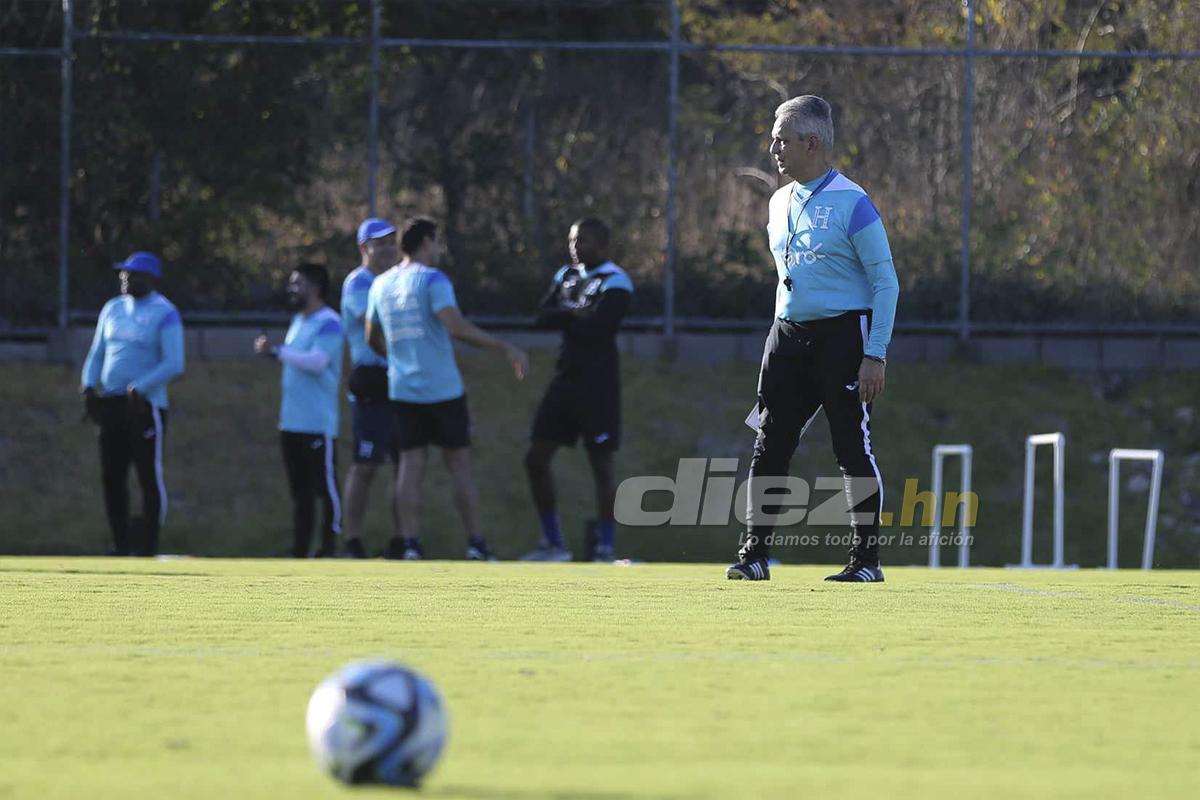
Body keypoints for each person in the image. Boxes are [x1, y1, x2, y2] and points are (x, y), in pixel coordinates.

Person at [727, 95, 899, 583]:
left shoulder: (853, 202)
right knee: (770, 442)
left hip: (843, 337)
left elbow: (886, 283)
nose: (773, 147)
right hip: (786, 336)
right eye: (773, 138)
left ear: (812, 143)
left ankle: (865, 562)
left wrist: (875, 353)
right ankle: (754, 555)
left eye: (782, 139)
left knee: (850, 447)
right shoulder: (778, 201)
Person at [364, 217, 528, 561]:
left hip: (403, 388)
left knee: (410, 465)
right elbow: (456, 327)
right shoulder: (432, 279)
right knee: (459, 464)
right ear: (426, 242)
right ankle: (476, 543)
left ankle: (409, 544)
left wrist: (395, 359)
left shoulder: (380, 285)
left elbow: (370, 336)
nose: (439, 250)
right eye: (436, 243)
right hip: (442, 389)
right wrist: (504, 346)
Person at [520, 218, 633, 562]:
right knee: (535, 458)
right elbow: (540, 316)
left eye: (582, 240)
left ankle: (604, 547)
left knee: (600, 463)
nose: (574, 246)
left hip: (598, 384)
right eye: (571, 240)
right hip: (564, 379)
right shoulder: (565, 275)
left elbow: (600, 327)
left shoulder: (616, 280)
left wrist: (567, 314)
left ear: (601, 243)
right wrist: (577, 313)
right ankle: (553, 542)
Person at [81, 252, 185, 556]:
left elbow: (174, 363)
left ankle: (148, 545)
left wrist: (141, 387)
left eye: (134, 274)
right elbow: (97, 352)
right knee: (112, 477)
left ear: (151, 279)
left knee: (147, 476)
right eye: (123, 273)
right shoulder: (112, 309)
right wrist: (89, 385)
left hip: (144, 407)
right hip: (111, 405)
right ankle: (120, 544)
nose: (126, 278)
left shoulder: (165, 312)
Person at [254, 264, 345, 558]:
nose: (292, 289)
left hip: (317, 422)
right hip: (291, 421)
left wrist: (277, 352)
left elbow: (317, 362)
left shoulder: (329, 322)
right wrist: (276, 353)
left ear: (316, 287)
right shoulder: (298, 321)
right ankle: (301, 550)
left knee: (324, 488)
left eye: (298, 284)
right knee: (300, 493)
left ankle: (329, 547)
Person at [339, 218, 400, 559]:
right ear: (364, 248)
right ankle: (352, 541)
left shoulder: (394, 281)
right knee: (365, 465)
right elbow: (378, 326)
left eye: (393, 241)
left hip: (400, 379)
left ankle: (402, 540)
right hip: (371, 378)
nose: (390, 248)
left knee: (404, 463)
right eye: (381, 243)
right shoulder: (358, 283)